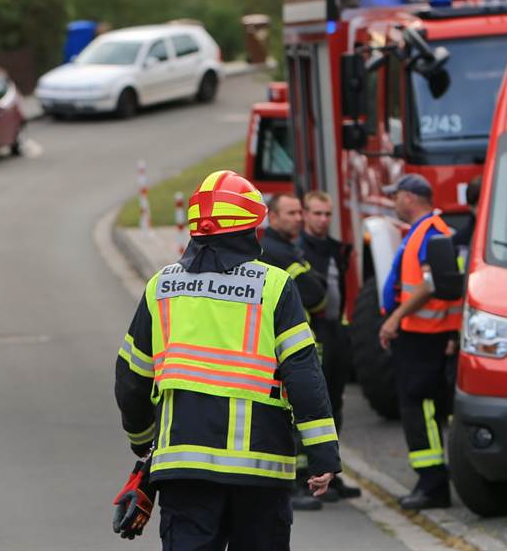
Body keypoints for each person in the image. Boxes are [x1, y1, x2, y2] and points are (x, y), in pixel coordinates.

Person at [114, 170, 339, 550]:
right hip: (261, 469)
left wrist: (143, 442)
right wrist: (322, 454)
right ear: (252, 226)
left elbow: (131, 378)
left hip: (184, 469)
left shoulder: (162, 287)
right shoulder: (274, 286)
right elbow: (304, 375)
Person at [378, 173, 462, 511]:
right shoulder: (426, 230)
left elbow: (429, 284)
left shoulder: (430, 232)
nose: (393, 202)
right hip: (425, 334)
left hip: (424, 335)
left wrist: (395, 317)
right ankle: (430, 480)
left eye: (395, 195)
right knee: (423, 407)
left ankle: (432, 483)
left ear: (409, 198)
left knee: (420, 407)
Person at [261, 192, 334, 511]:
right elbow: (316, 294)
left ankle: (302, 480)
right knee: (290, 415)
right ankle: (290, 487)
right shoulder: (276, 252)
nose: (298, 218)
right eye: (290, 213)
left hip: (295, 344)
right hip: (285, 348)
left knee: (297, 414)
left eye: (299, 212)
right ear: (273, 217)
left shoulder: (288, 249)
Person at [297, 190, 361, 500]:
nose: (323, 220)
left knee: (335, 405)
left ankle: (331, 472)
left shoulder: (335, 249)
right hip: (315, 334)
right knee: (313, 407)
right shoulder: (299, 251)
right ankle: (308, 477)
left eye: (327, 214)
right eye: (317, 213)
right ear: (305, 214)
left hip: (336, 333)